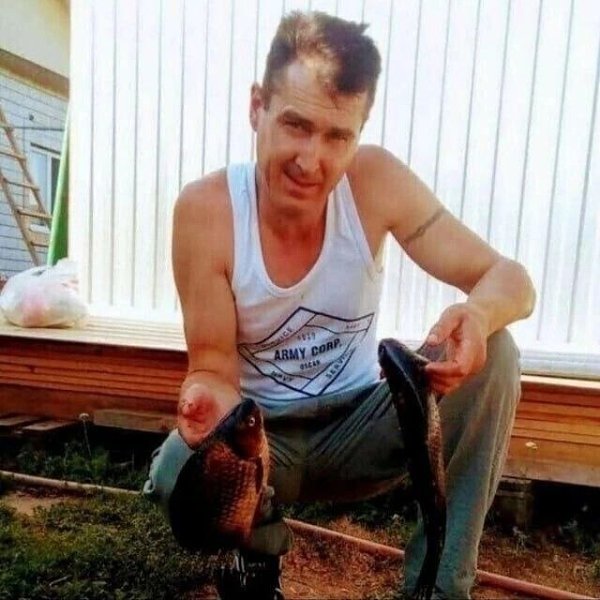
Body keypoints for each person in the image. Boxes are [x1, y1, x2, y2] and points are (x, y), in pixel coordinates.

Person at [143, 10, 536, 600]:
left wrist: (478, 317)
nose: (312, 161)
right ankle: (256, 561)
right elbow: (213, 364)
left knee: (498, 352)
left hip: (363, 428)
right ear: (257, 107)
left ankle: (438, 587)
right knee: (178, 470)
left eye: (337, 137)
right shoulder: (207, 211)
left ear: (359, 132)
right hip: (266, 441)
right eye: (295, 125)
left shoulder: (375, 181)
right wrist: (207, 396)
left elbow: (512, 279)